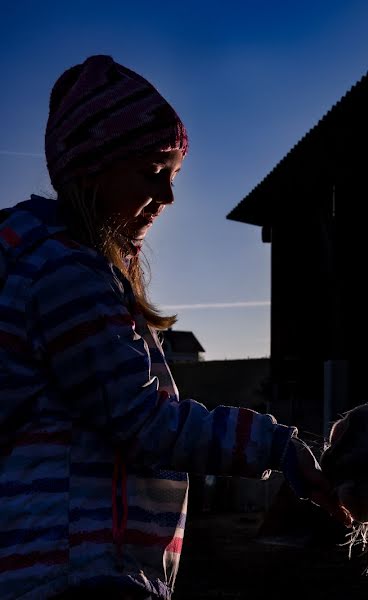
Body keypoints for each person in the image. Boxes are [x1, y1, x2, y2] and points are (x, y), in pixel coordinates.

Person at [0, 55, 347, 600]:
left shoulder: (57, 270)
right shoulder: (65, 278)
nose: (167, 197)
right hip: (77, 564)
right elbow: (145, 422)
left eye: (174, 175)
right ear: (90, 167)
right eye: (152, 173)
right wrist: (273, 445)